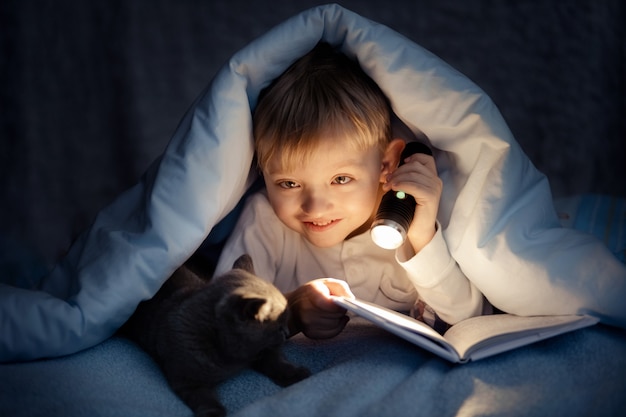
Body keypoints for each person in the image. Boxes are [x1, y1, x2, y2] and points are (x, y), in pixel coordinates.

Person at [213, 42, 487, 339]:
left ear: (386, 163)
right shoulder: (265, 219)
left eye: (341, 179)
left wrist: (422, 237)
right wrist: (291, 312)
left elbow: (467, 320)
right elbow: (222, 321)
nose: (315, 208)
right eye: (289, 184)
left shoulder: (405, 223)